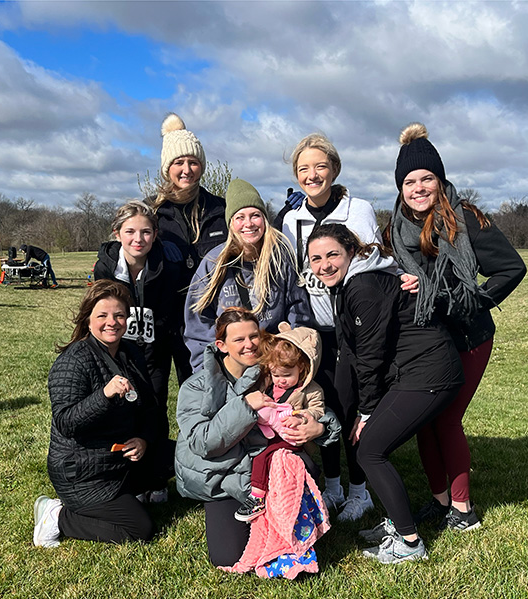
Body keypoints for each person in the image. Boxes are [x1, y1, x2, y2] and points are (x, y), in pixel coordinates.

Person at [388, 123, 527, 532]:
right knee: (423, 420)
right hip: (427, 340)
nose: (418, 188)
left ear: (440, 180)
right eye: (409, 181)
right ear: (400, 188)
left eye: (426, 178)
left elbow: (511, 268)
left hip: (468, 335)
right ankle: (440, 499)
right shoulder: (395, 228)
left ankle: (464, 510)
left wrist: (472, 300)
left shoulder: (464, 220)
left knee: (447, 418)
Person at [306, 223, 464, 564]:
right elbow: (350, 350)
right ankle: (397, 525)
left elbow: (370, 355)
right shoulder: (351, 282)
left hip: (429, 372)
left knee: (371, 450)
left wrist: (366, 412)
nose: (325, 265)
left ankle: (409, 544)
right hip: (413, 371)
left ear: (351, 251)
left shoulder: (363, 285)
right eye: (316, 258)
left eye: (332, 254)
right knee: (370, 446)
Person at [175, 308, 339, 568]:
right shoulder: (197, 386)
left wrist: (319, 428)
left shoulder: (271, 372)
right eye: (239, 339)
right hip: (224, 478)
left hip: (267, 470)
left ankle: (289, 529)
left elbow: (307, 400)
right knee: (227, 558)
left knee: (302, 465)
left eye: (254, 336)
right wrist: (245, 407)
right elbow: (202, 442)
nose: (249, 345)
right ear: (222, 345)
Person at [279, 133, 384, 521]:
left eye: (320, 166)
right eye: (303, 168)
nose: (312, 174)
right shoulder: (290, 219)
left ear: (334, 169)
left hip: (351, 328)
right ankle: (333, 485)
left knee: (349, 404)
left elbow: (371, 265)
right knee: (319, 405)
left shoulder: (359, 209)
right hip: (313, 331)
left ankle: (360, 490)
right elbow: (290, 273)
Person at [33, 280, 167, 548]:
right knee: (140, 528)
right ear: (88, 320)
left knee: (175, 457)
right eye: (102, 316)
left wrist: (142, 439)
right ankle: (58, 516)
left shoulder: (131, 353)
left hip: (119, 457)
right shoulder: (73, 360)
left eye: (119, 315)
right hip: (81, 470)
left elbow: (150, 408)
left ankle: (134, 490)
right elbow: (66, 422)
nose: (112, 322)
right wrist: (103, 396)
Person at [93, 200, 185, 503]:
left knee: (155, 408)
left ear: (155, 234)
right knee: (124, 407)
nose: (138, 239)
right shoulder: (106, 265)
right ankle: (127, 476)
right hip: (119, 349)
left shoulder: (166, 264)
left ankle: (156, 477)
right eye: (130, 231)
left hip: (156, 348)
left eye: (146, 232)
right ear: (117, 233)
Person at [184, 178, 313, 371]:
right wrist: (207, 369)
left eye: (255, 215)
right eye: (240, 217)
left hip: (275, 363)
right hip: (230, 365)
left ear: (264, 219)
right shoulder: (214, 263)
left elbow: (298, 312)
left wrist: (291, 352)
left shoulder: (280, 259)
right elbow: (198, 322)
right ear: (230, 224)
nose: (249, 224)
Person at [147, 113, 228, 383]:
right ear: (166, 167)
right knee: (152, 397)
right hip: (162, 319)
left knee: (203, 388)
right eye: (178, 162)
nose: (186, 169)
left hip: (205, 318)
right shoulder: (152, 211)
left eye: (193, 162)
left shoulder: (220, 209)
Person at [236, 324, 326, 523]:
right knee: (259, 455)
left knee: (263, 456)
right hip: (267, 432)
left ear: (302, 368)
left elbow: (318, 410)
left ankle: (257, 497)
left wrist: (301, 416)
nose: (281, 381)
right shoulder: (268, 383)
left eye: (287, 375)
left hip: (292, 436)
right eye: (276, 375)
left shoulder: (311, 390)